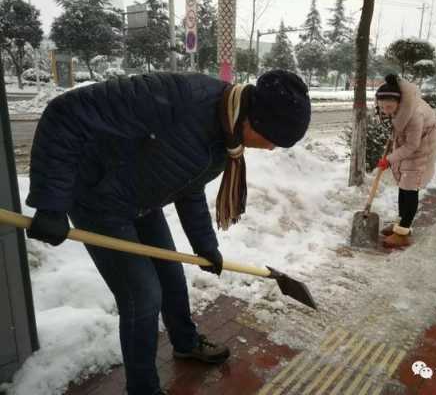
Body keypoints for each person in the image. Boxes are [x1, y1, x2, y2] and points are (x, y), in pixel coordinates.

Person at [25, 70, 311, 395]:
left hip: (140, 198)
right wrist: (51, 202)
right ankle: (143, 388)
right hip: (96, 197)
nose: (272, 149)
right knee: (143, 295)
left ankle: (185, 342)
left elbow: (187, 188)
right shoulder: (178, 96)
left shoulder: (225, 141)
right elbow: (66, 113)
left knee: (171, 276)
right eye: (274, 139)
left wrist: (205, 245)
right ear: (256, 120)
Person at [374, 74, 436, 248]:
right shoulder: (401, 108)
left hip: (423, 147)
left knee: (410, 186)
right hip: (414, 144)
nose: (385, 110)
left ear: (398, 102)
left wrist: (388, 160)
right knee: (404, 185)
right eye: (381, 106)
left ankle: (402, 232)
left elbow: (412, 145)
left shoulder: (414, 115)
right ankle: (400, 224)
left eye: (388, 106)